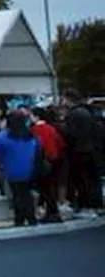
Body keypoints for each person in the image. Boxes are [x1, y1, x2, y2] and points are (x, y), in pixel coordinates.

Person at [0, 112, 41, 227]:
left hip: (11, 169)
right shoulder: (30, 136)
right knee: (26, 193)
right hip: (29, 169)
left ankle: (19, 218)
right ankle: (31, 218)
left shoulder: (3, 136)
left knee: (17, 194)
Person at [62, 89, 103, 217]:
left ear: (69, 99)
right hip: (92, 150)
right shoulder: (89, 112)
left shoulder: (74, 114)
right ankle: (96, 205)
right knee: (92, 180)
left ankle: (86, 206)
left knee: (82, 180)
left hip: (78, 151)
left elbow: (70, 134)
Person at [30, 107, 66, 223]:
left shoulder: (34, 130)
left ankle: (52, 212)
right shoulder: (51, 128)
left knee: (44, 189)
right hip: (53, 161)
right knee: (49, 187)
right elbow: (60, 144)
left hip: (41, 162)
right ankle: (52, 212)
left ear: (36, 116)